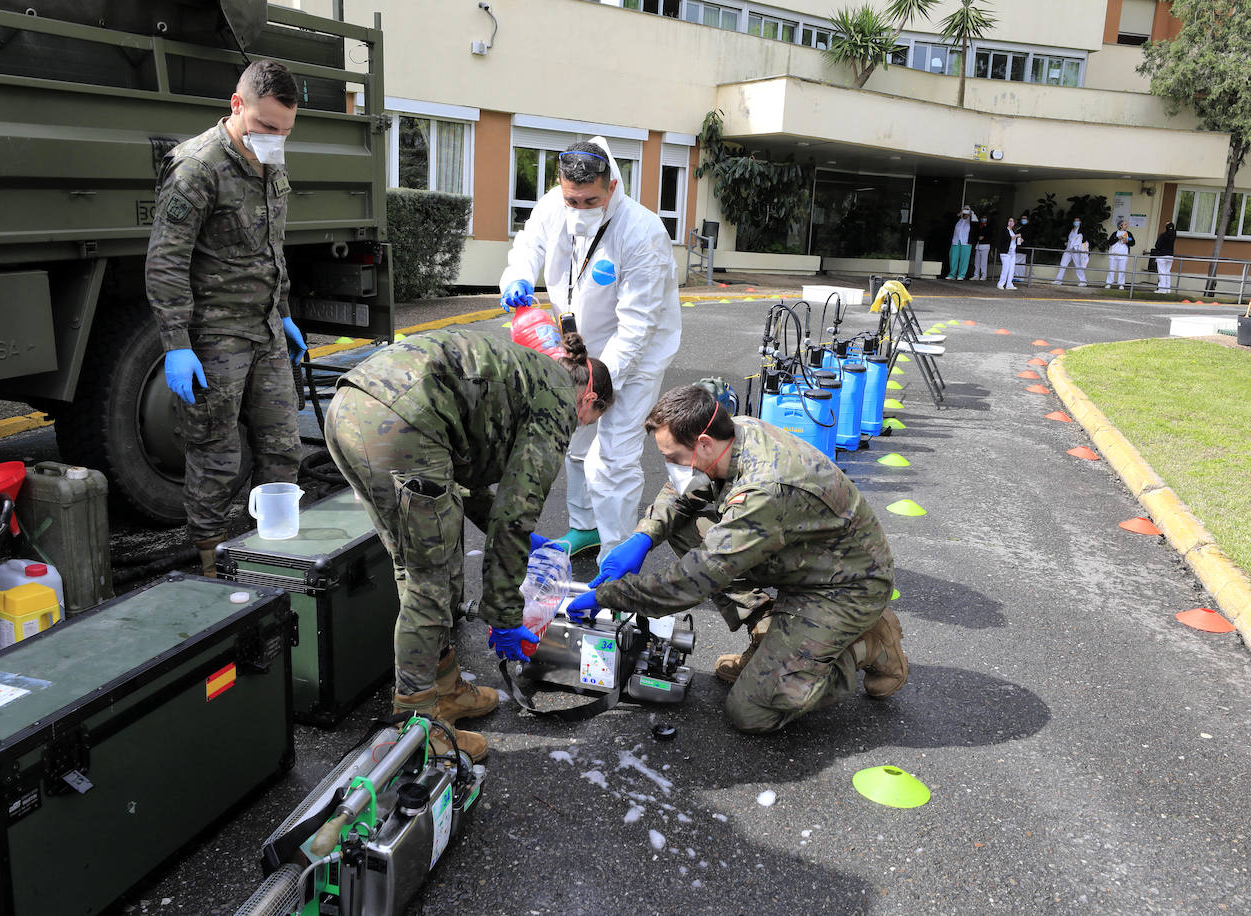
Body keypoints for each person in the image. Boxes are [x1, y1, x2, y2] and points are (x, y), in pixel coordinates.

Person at [324, 328, 613, 762]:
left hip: (353, 408)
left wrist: (515, 536)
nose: (581, 426)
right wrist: (504, 616)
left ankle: (446, 688)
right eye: (590, 420)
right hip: (401, 423)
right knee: (430, 581)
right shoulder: (558, 404)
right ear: (589, 400)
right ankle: (417, 727)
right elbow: (515, 514)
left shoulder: (529, 373)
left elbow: (466, 475)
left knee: (417, 565)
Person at [564, 385, 905, 734]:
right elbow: (680, 493)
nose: (671, 467)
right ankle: (766, 628)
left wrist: (608, 596)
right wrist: (644, 536)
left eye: (673, 457)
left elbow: (693, 580)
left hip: (845, 587)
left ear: (704, 444)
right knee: (684, 527)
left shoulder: (765, 488)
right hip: (805, 555)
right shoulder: (730, 433)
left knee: (752, 711)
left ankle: (869, 643)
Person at [146, 60, 308, 576]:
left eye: (285, 130)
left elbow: (271, 248)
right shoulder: (196, 168)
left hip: (264, 332)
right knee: (216, 455)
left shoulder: (271, 162)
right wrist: (176, 343)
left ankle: (272, 555)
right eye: (266, 126)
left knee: (284, 449)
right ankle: (212, 564)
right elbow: (165, 261)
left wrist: (282, 313)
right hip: (215, 335)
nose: (275, 139)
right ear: (237, 106)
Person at [498, 138, 681, 561]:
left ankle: (616, 557)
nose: (579, 209)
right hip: (577, 347)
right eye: (572, 200)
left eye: (590, 200)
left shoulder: (642, 232)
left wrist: (597, 383)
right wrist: (516, 279)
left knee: (613, 456)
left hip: (636, 357)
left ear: (613, 186)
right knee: (577, 444)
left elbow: (637, 326)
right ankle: (585, 528)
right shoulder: (552, 206)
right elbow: (528, 246)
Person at [1052, 218, 1088, 286]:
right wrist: (1067, 243)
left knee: (1078, 266)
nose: (1076, 222)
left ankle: (1083, 281)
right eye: (1075, 221)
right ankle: (1058, 280)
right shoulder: (1071, 230)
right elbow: (1069, 239)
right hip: (1068, 250)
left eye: (1077, 221)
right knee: (1063, 264)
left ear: (1080, 222)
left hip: (1075, 251)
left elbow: (1083, 240)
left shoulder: (1082, 230)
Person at [946, 206, 976, 280]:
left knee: (964, 259)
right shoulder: (959, 220)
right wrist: (960, 212)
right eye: (965, 209)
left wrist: (971, 213)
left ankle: (961, 275)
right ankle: (952, 274)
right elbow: (951, 221)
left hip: (966, 242)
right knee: (953, 257)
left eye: (967, 210)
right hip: (956, 241)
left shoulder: (972, 220)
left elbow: (976, 223)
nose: (966, 212)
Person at [1106, 219, 1135, 289]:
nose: (1127, 225)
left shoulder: (1129, 233)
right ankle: (1109, 283)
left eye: (1126, 224)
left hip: (1124, 254)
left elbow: (1133, 242)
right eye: (1125, 224)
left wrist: (1127, 241)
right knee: (1111, 269)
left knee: (1122, 269)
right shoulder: (1115, 233)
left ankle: (1121, 284)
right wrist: (1118, 238)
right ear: (1120, 225)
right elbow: (1110, 242)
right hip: (1113, 254)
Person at [1151, 222, 1177, 293]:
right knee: (1167, 272)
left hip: (1162, 255)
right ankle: (1168, 289)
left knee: (1162, 272)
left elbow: (1157, 246)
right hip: (1170, 256)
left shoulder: (1162, 235)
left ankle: (1162, 289)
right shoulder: (1174, 235)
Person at [997, 217, 1022, 290]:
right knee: (1005, 269)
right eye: (1009, 221)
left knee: (1011, 269)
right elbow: (1008, 238)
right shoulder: (1005, 230)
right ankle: (1000, 284)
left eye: (1012, 221)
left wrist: (1019, 239)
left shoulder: (1013, 231)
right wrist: (1016, 236)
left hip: (1012, 253)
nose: (1011, 222)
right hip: (1005, 253)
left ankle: (1009, 284)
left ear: (1014, 223)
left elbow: (1014, 241)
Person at [973, 216, 992, 281]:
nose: (983, 219)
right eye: (982, 217)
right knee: (977, 262)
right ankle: (976, 275)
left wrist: (984, 237)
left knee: (983, 262)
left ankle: (984, 275)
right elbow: (975, 234)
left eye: (985, 217)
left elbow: (990, 236)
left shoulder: (989, 226)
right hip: (978, 245)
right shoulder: (979, 226)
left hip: (985, 245)